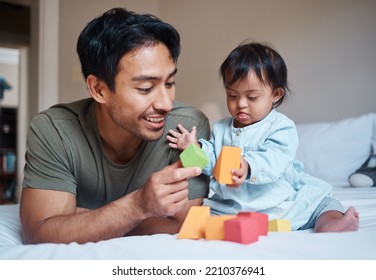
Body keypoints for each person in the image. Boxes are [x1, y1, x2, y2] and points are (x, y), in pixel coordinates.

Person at [20, 7, 210, 244]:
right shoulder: (54, 130)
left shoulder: (188, 128)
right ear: (99, 89)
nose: (165, 104)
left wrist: (85, 219)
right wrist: (138, 205)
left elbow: (184, 225)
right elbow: (40, 233)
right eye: (146, 88)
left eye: (170, 82)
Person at [167, 42, 359, 232]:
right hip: (232, 207)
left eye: (251, 97)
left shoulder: (281, 127)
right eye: (232, 95)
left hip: (278, 205)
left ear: (275, 94)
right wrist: (194, 148)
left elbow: (275, 158)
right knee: (201, 215)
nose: (241, 104)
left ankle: (330, 222)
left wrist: (248, 166)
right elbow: (213, 165)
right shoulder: (220, 128)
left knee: (322, 203)